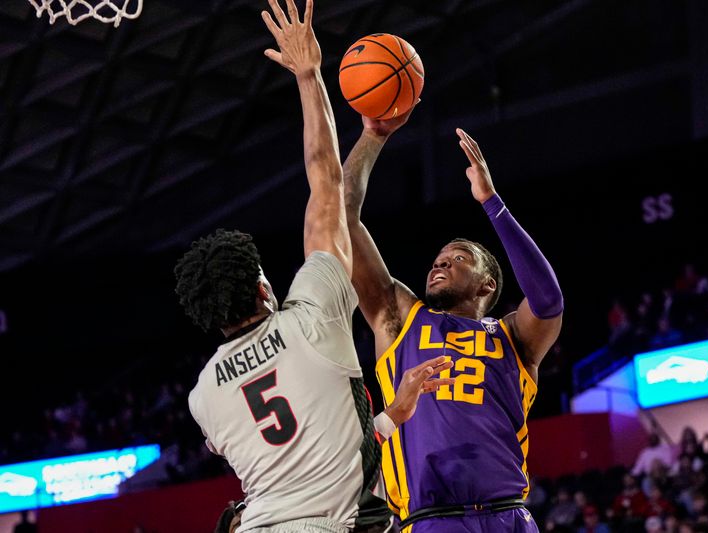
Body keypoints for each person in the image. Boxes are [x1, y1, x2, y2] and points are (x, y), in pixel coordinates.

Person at [175, 2, 453, 532]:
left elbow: (309, 455)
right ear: (262, 288)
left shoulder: (203, 394)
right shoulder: (312, 316)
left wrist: (393, 416)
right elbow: (326, 183)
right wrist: (310, 78)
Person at [343, 109, 563, 529]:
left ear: (487, 286)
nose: (440, 264)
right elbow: (343, 215)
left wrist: (492, 204)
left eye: (459, 258)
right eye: (439, 259)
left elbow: (548, 299)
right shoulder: (399, 316)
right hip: (430, 519)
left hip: (508, 516)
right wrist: (373, 135)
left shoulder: (515, 336)